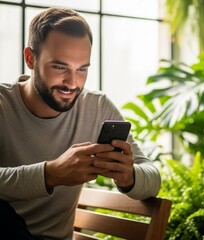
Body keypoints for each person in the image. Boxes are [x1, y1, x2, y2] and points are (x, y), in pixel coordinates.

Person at [0, 7, 161, 239]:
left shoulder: (96, 107)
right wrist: (50, 174)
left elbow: (152, 177)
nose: (72, 83)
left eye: (82, 69)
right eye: (60, 66)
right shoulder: (3, 105)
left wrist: (128, 176)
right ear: (30, 59)